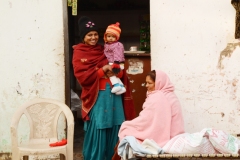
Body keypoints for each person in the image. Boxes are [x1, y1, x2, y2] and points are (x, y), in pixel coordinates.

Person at [72, 16, 126, 160]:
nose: (93, 37)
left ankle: (113, 156)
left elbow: (118, 69)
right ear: (83, 37)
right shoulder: (79, 52)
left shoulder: (104, 49)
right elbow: (83, 77)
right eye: (89, 35)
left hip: (114, 94)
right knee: (99, 126)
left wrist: (116, 69)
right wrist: (103, 70)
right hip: (97, 95)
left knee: (116, 124)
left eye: (95, 34)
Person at [118, 70, 185, 148]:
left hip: (166, 138)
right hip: (175, 137)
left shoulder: (157, 96)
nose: (146, 85)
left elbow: (146, 120)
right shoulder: (171, 96)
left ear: (159, 83)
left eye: (150, 83)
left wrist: (128, 125)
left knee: (126, 129)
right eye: (146, 83)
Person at [104, 22, 126, 95]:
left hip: (117, 62)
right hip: (112, 62)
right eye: (109, 36)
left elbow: (118, 54)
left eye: (113, 37)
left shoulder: (117, 45)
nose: (110, 38)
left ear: (117, 37)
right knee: (115, 75)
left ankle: (116, 85)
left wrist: (116, 63)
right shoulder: (107, 45)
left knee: (110, 73)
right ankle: (122, 87)